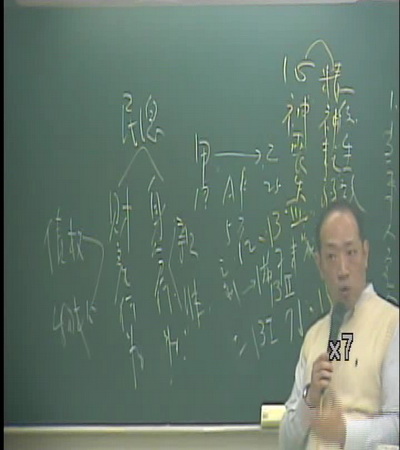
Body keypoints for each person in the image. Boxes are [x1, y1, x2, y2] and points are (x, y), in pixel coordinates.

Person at [279, 199, 399, 449]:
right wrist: (310, 399)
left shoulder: (391, 325)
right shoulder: (315, 336)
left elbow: (396, 425)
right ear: (320, 264)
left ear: (365, 254)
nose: (342, 270)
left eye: (351, 253)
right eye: (332, 256)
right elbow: (286, 442)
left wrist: (345, 432)